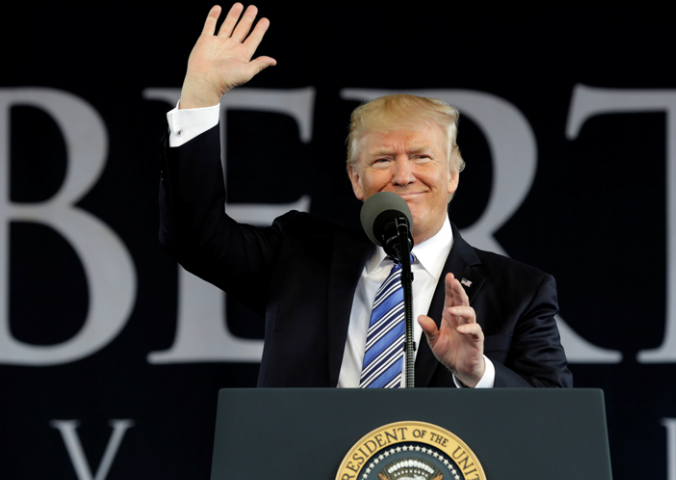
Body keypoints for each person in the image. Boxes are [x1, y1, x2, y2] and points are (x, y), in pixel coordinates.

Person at [160, 3, 572, 388]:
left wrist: (478, 374)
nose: (403, 174)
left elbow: (558, 421)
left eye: (421, 156)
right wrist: (199, 97)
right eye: (381, 160)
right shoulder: (299, 255)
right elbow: (195, 237)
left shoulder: (520, 290)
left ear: (452, 176)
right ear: (356, 181)